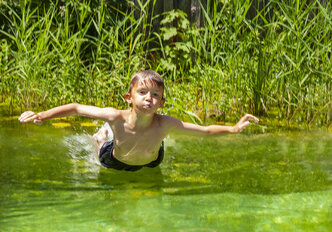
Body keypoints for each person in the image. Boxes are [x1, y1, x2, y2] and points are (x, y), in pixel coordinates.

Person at [19, 70, 259, 171]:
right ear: (129, 97)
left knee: (158, 141)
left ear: (162, 103)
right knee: (100, 145)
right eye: (142, 93)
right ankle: (100, 137)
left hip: (151, 164)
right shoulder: (115, 116)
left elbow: (205, 131)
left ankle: (151, 142)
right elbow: (76, 108)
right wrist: (42, 115)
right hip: (114, 161)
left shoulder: (165, 123)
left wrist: (234, 128)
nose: (149, 99)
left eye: (155, 95)